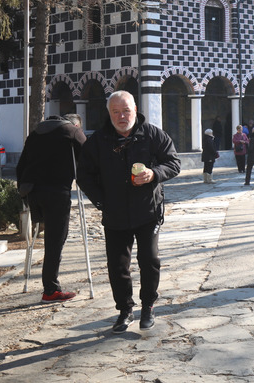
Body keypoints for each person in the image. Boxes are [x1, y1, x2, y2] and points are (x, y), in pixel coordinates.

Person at [76, 91, 181, 333]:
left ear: (135, 110)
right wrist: (102, 201)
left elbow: (173, 163)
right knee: (118, 265)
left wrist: (154, 174)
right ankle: (125, 310)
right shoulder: (98, 140)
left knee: (150, 260)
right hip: (115, 214)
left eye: (126, 111)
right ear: (109, 113)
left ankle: (148, 307)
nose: (122, 116)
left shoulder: (153, 134)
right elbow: (84, 175)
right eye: (116, 112)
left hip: (148, 210)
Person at [16, 114, 86, 303]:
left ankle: (40, 284)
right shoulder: (72, 131)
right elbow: (88, 158)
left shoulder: (35, 134)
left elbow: (20, 165)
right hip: (57, 193)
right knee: (55, 240)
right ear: (74, 123)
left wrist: (22, 192)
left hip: (32, 193)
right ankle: (51, 290)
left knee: (44, 236)